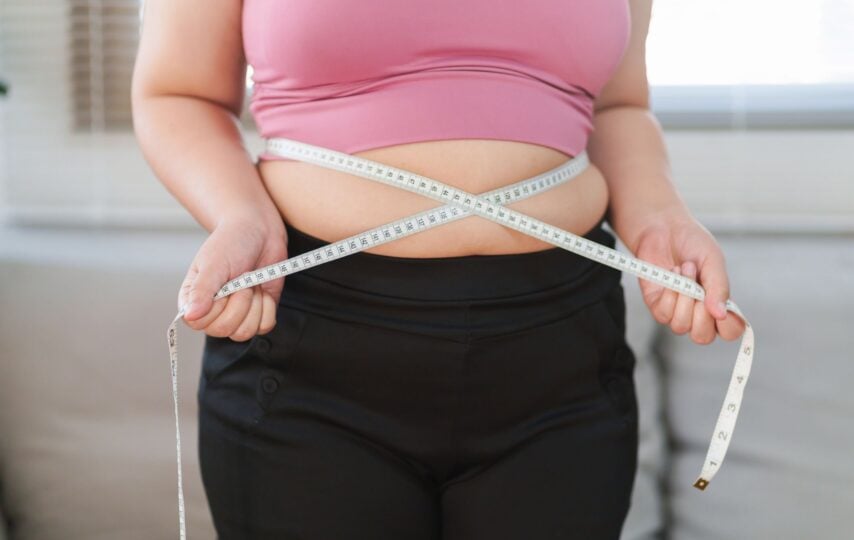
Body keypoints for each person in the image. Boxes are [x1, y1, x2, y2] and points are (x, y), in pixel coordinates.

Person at [132, 0, 746, 538]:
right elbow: (178, 92)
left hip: (563, 354)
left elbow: (618, 105)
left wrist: (661, 220)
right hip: (308, 340)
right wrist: (240, 216)